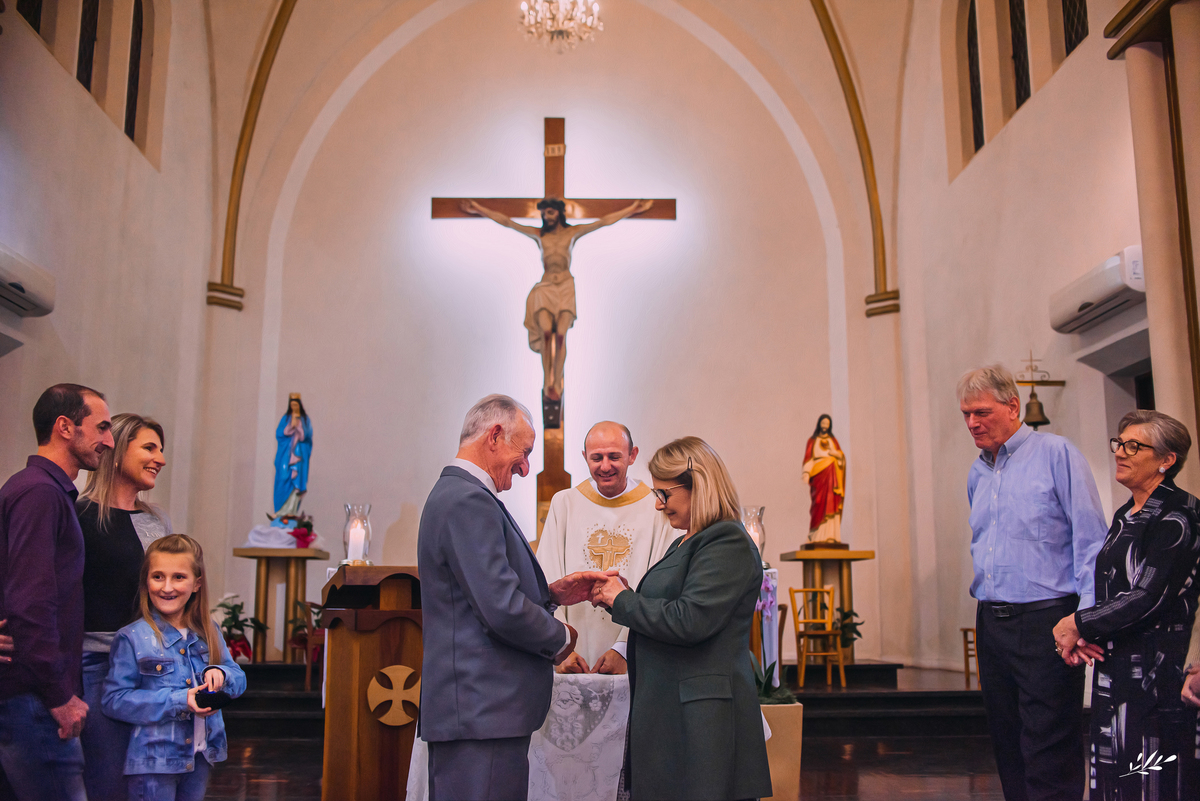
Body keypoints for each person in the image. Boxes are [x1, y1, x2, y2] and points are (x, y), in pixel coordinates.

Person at [417, 394, 609, 801]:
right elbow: (500, 608)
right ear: (495, 436)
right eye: (523, 453)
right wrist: (561, 638)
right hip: (481, 711)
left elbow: (478, 593)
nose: (525, 468)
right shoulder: (468, 499)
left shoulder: (458, 495)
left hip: (478, 712)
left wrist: (550, 594)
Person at [590, 436, 771, 801]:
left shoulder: (727, 542)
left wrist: (624, 600)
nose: (659, 506)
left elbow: (690, 620)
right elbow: (673, 606)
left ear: (698, 486)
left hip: (702, 721)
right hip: (672, 713)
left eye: (665, 494)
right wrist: (618, 597)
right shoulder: (686, 541)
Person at [958, 365, 1108, 801]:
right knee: (1008, 743)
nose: (972, 423)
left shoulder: (1057, 454)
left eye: (981, 412)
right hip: (992, 622)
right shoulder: (977, 473)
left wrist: (1085, 619)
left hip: (1048, 620)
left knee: (1049, 744)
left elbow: (1091, 541)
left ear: (1012, 406)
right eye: (966, 414)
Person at [1052, 410, 1200, 797]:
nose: (1121, 452)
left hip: (1156, 672)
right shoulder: (1126, 514)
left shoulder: (1178, 514)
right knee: (1112, 776)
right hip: (1115, 668)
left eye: (1135, 446)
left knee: (1148, 777)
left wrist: (1079, 624)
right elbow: (1112, 588)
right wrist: (1087, 632)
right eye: (1119, 443)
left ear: (1167, 460)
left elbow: (1147, 595)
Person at [0, 383, 113, 801]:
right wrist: (60, 694)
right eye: (101, 427)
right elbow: (31, 603)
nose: (109, 441)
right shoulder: (39, 493)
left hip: (29, 693)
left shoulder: (40, 491)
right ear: (65, 427)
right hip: (33, 698)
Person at [459, 198, 653, 401]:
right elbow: (508, 222)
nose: (546, 217)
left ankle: (557, 381)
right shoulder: (539, 235)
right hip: (546, 287)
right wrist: (479, 209)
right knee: (545, 334)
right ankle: (546, 381)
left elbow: (603, 222)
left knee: (560, 335)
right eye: (544, 214)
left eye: (550, 213)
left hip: (566, 287)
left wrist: (633, 209)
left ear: (559, 213)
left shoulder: (572, 233)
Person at [102, 534, 246, 801]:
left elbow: (238, 677)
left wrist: (222, 674)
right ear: (146, 581)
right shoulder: (132, 637)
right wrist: (180, 700)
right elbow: (115, 700)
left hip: (201, 756)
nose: (167, 587)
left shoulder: (208, 631)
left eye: (179, 577)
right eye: (158, 576)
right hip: (154, 762)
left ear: (197, 583)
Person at [77, 413, 172, 800]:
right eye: (149, 447)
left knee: (152, 780)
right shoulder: (78, 514)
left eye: (161, 449)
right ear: (116, 451)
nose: (161, 459)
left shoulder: (156, 522)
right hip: (98, 666)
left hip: (154, 667)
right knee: (109, 778)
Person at [538, 421, 677, 674]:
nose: (605, 466)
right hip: (572, 653)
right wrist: (560, 647)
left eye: (614, 456)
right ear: (584, 457)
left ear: (632, 455)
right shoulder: (565, 503)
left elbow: (660, 585)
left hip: (635, 652)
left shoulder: (655, 507)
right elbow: (546, 580)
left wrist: (624, 648)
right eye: (596, 457)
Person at [802, 414, 846, 543]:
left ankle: (831, 535)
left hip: (833, 478)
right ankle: (817, 534)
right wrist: (806, 473)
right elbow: (808, 458)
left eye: (827, 424)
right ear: (819, 424)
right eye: (823, 423)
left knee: (832, 502)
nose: (825, 426)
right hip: (819, 476)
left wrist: (835, 454)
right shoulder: (813, 441)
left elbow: (841, 458)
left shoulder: (833, 441)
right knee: (819, 503)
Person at [273, 393, 312, 518]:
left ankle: (291, 510)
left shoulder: (305, 420)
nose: (294, 407)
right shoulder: (285, 418)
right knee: (283, 478)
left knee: (297, 484)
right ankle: (281, 510)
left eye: (296, 405)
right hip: (286, 457)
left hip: (299, 459)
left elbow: (306, 436)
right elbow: (280, 434)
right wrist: (291, 426)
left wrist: (299, 429)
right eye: (292, 405)